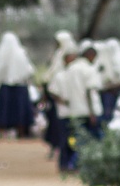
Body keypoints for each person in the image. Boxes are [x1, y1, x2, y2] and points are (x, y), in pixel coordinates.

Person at [49, 41, 102, 171]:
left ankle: (75, 165)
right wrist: (92, 112)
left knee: (77, 140)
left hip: (74, 110)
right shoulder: (89, 69)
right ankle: (86, 166)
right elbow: (89, 91)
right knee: (89, 140)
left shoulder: (70, 70)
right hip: (88, 110)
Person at [0, 32, 35, 137]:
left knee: (5, 110)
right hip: (20, 86)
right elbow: (29, 70)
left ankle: (2, 133)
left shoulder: (2, 54)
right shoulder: (21, 53)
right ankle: (20, 132)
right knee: (20, 111)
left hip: (6, 86)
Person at [42, 30, 78, 156]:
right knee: (54, 120)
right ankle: (54, 146)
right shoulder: (58, 55)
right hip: (56, 90)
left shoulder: (71, 55)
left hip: (68, 92)